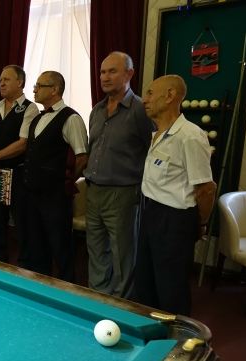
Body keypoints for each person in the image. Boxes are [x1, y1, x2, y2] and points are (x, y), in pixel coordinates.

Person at [135, 74, 216, 316]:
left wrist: (199, 223)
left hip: (174, 220)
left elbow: (206, 188)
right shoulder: (157, 133)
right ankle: (150, 333)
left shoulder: (190, 136)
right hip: (150, 213)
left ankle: (177, 337)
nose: (144, 100)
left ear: (170, 95)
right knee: (145, 283)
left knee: (171, 289)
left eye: (150, 93)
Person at [84, 51, 155, 299]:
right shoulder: (97, 110)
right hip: (93, 191)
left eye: (112, 71)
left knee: (123, 256)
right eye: (102, 72)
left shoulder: (140, 110)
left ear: (129, 74)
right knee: (96, 252)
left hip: (123, 194)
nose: (105, 77)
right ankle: (98, 301)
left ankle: (121, 307)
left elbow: (153, 152)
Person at [24, 71, 88, 282]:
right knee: (37, 245)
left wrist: (65, 181)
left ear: (55, 89)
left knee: (61, 247)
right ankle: (41, 288)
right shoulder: (37, 118)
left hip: (56, 196)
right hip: (33, 194)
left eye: (39, 85)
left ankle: (67, 290)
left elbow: (82, 158)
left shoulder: (71, 118)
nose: (34, 90)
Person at [0, 65, 38, 267]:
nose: (1, 83)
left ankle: (25, 266)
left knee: (21, 224)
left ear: (20, 82)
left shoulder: (29, 108)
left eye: (6, 79)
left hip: (18, 174)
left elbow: (23, 143)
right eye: (0, 80)